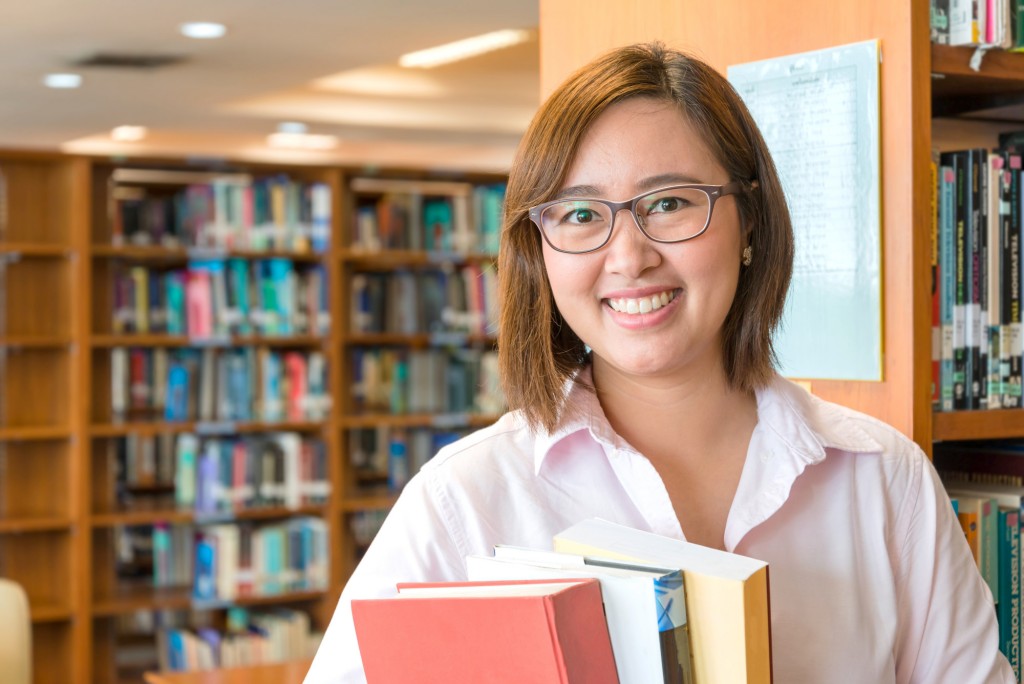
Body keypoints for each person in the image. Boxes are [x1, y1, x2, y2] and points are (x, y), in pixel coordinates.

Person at [305, 43, 1012, 683]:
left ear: (750, 223)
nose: (629, 257)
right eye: (581, 215)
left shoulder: (884, 480)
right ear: (539, 249)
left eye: (669, 203)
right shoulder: (465, 501)